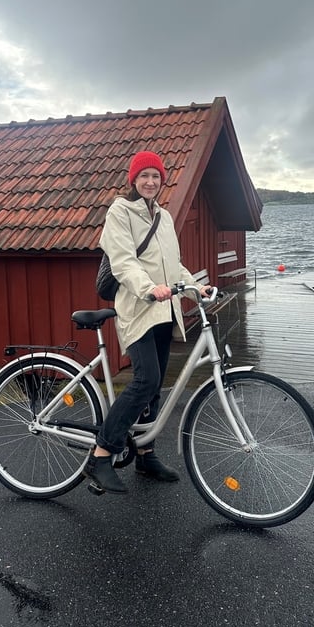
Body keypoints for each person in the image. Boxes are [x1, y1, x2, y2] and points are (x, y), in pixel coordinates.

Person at [85, 150, 211, 494]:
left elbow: (174, 266)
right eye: (144, 176)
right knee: (146, 380)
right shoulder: (120, 212)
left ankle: (145, 453)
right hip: (139, 308)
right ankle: (100, 456)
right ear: (133, 180)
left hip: (164, 310)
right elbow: (123, 262)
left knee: (155, 387)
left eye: (155, 176)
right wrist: (148, 288)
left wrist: (196, 288)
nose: (150, 182)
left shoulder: (165, 217)